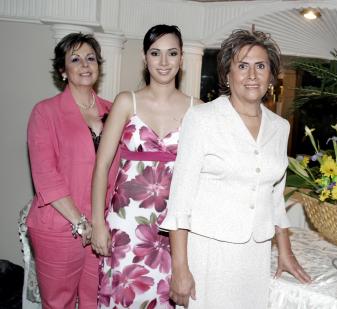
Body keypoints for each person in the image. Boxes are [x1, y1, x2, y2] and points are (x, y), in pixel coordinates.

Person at [159, 29, 312, 308]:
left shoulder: (280, 127)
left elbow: (275, 198)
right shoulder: (202, 118)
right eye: (242, 66)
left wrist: (285, 251)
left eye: (260, 66)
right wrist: (180, 268)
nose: (252, 75)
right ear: (227, 76)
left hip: (256, 253)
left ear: (271, 75)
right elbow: (180, 198)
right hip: (210, 252)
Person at [91, 24, 202, 308]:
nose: (164, 62)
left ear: (181, 59)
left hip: (175, 229)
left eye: (172, 53)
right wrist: (97, 223)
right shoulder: (127, 102)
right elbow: (101, 165)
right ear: (145, 58)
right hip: (126, 224)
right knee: (125, 294)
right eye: (156, 53)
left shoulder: (199, 110)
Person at [26, 32, 118, 309]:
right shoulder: (45, 112)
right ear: (62, 71)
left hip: (101, 227)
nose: (85, 65)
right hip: (59, 226)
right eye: (75, 59)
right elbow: (46, 177)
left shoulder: (114, 111)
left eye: (91, 58)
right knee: (59, 304)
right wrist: (80, 222)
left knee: (96, 301)